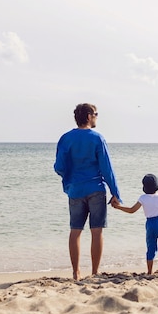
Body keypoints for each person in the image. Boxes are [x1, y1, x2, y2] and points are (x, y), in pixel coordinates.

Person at [54, 103, 121, 280]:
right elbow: (107, 169)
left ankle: (76, 272)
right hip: (96, 189)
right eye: (96, 114)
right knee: (96, 231)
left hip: (75, 190)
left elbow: (59, 166)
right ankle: (94, 272)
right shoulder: (97, 138)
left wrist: (69, 181)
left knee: (75, 231)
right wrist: (115, 193)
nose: (97, 117)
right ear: (89, 116)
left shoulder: (65, 138)